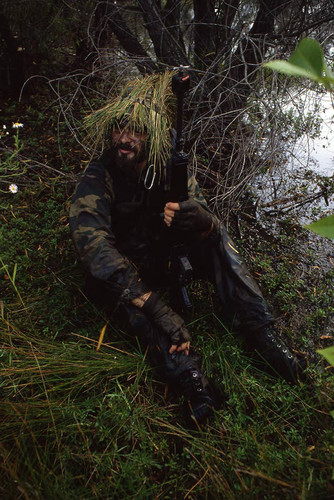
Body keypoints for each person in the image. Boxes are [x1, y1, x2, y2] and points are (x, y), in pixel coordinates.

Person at [69, 72, 305, 426]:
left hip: (167, 253)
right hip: (133, 268)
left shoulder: (168, 163)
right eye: (119, 128)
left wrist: (200, 219)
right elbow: (94, 247)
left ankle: (262, 332)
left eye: (136, 131)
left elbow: (201, 208)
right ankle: (192, 378)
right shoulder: (98, 176)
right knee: (122, 293)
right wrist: (155, 305)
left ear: (152, 134)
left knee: (217, 236)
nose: (125, 139)